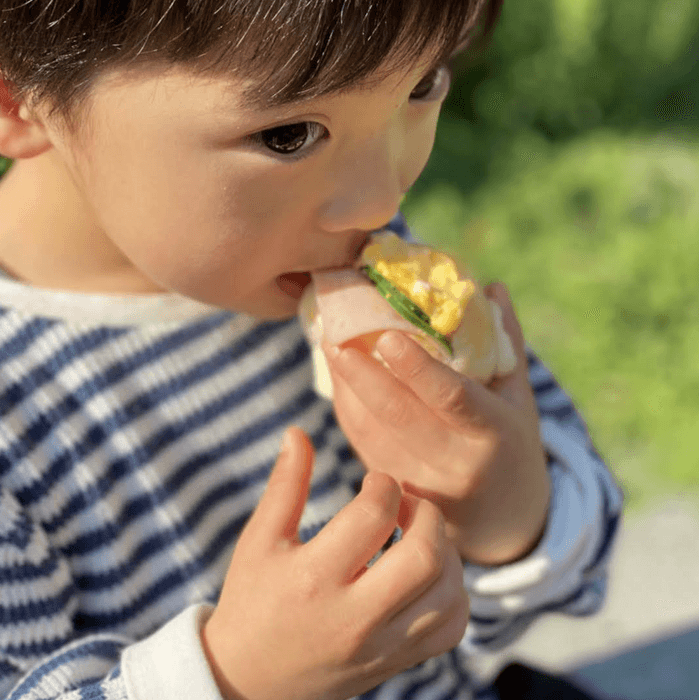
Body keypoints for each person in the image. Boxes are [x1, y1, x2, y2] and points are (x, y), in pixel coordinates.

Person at [0, 1, 622, 699]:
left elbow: (565, 581)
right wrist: (235, 682)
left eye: (422, 85)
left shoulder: (354, 257)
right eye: (290, 135)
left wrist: (507, 513)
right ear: (20, 100)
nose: (380, 201)